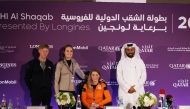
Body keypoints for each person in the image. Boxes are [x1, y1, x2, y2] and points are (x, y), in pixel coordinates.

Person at [54, 44, 87, 109]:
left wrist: (94, 78)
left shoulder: (75, 63)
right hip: (62, 92)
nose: (69, 53)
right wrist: (57, 94)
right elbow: (56, 80)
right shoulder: (60, 64)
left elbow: (82, 76)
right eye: (67, 51)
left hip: (72, 91)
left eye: (71, 51)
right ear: (64, 52)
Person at [116, 43, 147, 109]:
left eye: (132, 50)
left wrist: (135, 88)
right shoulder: (121, 63)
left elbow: (143, 76)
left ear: (135, 50)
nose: (130, 52)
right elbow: (119, 77)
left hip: (138, 91)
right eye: (128, 50)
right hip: (124, 92)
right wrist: (128, 88)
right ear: (125, 51)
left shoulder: (140, 62)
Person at [25, 44, 54, 109]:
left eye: (46, 51)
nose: (45, 53)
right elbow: (27, 78)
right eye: (43, 51)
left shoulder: (50, 63)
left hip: (47, 92)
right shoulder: (31, 63)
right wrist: (33, 88)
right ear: (39, 51)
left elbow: (50, 76)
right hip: (36, 92)